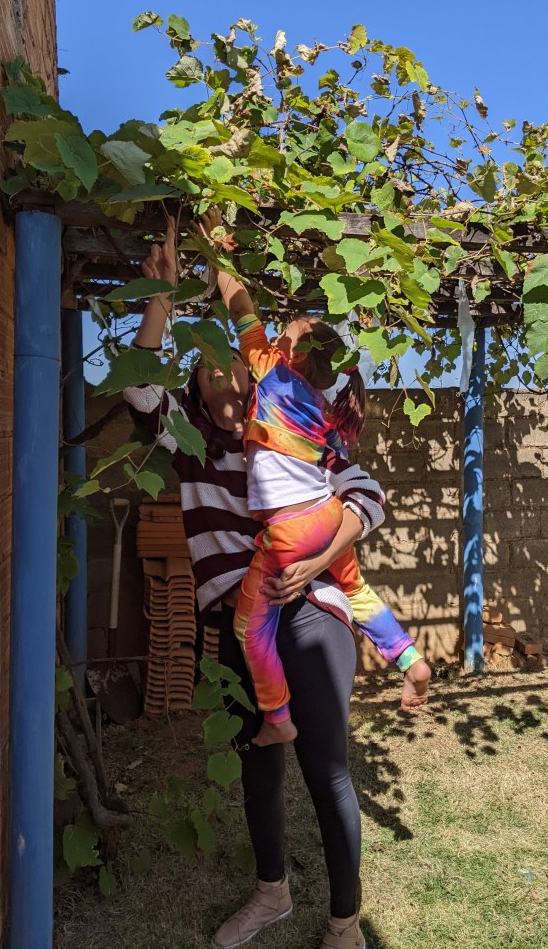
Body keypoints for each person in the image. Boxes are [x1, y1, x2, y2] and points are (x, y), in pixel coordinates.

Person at [120, 217, 425, 949]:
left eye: (233, 365)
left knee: (325, 769)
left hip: (314, 612)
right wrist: (161, 295)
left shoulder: (293, 439)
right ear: (196, 387)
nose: (221, 374)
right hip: (240, 623)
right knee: (259, 764)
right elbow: (136, 389)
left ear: (254, 379)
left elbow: (369, 498)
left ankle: (345, 924)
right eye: (206, 367)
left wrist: (318, 564)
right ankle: (272, 895)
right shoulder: (189, 446)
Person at [200, 209, 430, 747]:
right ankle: (410, 659)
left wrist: (217, 245)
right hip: (326, 516)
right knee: (357, 588)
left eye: (287, 332)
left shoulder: (271, 373)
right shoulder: (326, 410)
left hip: (289, 529)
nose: (279, 331)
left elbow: (239, 305)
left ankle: (277, 717)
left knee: (249, 627)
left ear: (294, 354)